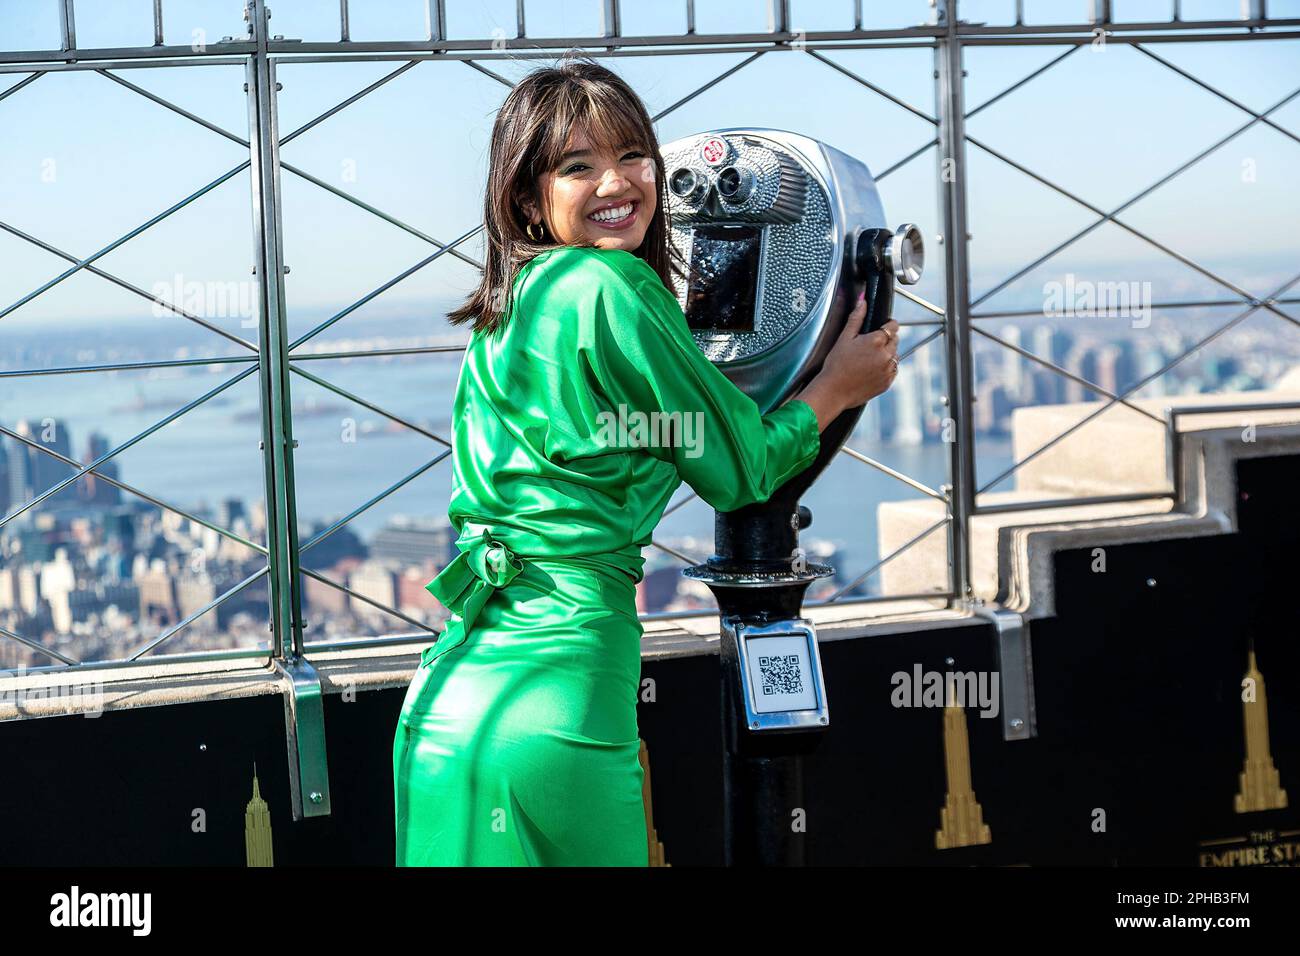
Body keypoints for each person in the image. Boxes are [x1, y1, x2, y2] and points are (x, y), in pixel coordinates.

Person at [392, 56, 900, 866]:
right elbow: (741, 470)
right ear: (528, 196)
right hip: (558, 700)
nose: (615, 182)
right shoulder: (615, 286)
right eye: (576, 165)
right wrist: (838, 386)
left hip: (451, 703)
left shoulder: (509, 302)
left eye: (632, 155)